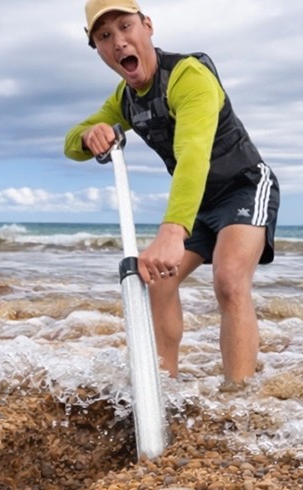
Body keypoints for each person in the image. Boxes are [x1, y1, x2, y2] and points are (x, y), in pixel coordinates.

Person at [65, 0, 279, 386]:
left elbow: (193, 154)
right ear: (95, 47)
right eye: (104, 36)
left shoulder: (189, 76)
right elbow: (70, 144)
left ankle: (239, 396)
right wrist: (88, 134)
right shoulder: (125, 99)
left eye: (126, 27)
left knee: (229, 279)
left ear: (147, 25)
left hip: (243, 185)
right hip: (198, 202)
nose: (119, 42)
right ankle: (164, 386)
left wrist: (172, 231)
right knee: (159, 280)